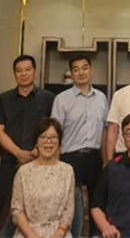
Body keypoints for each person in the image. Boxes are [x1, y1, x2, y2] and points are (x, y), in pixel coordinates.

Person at [0, 55, 55, 215]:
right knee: (4, 211)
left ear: (35, 72)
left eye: (28, 69)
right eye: (19, 70)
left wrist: (34, 153)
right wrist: (19, 153)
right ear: (14, 74)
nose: (23, 74)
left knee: (37, 210)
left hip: (39, 162)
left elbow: (51, 131)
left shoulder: (48, 98)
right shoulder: (4, 99)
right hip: (9, 163)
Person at [51, 55, 108, 220]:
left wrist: (105, 162)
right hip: (70, 159)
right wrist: (55, 165)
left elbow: (105, 131)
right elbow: (55, 135)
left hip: (95, 159)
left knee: (96, 203)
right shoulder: (61, 99)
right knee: (70, 204)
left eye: (85, 68)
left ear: (91, 70)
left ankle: (93, 232)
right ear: (71, 74)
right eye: (76, 69)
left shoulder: (101, 98)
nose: (81, 73)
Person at [11, 118, 75, 238]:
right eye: (43, 137)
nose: (48, 142)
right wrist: (32, 235)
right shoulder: (23, 172)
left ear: (59, 142)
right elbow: (17, 210)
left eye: (53, 137)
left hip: (59, 233)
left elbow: (69, 209)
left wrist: (59, 233)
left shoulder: (67, 170)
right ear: (36, 142)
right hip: (28, 233)